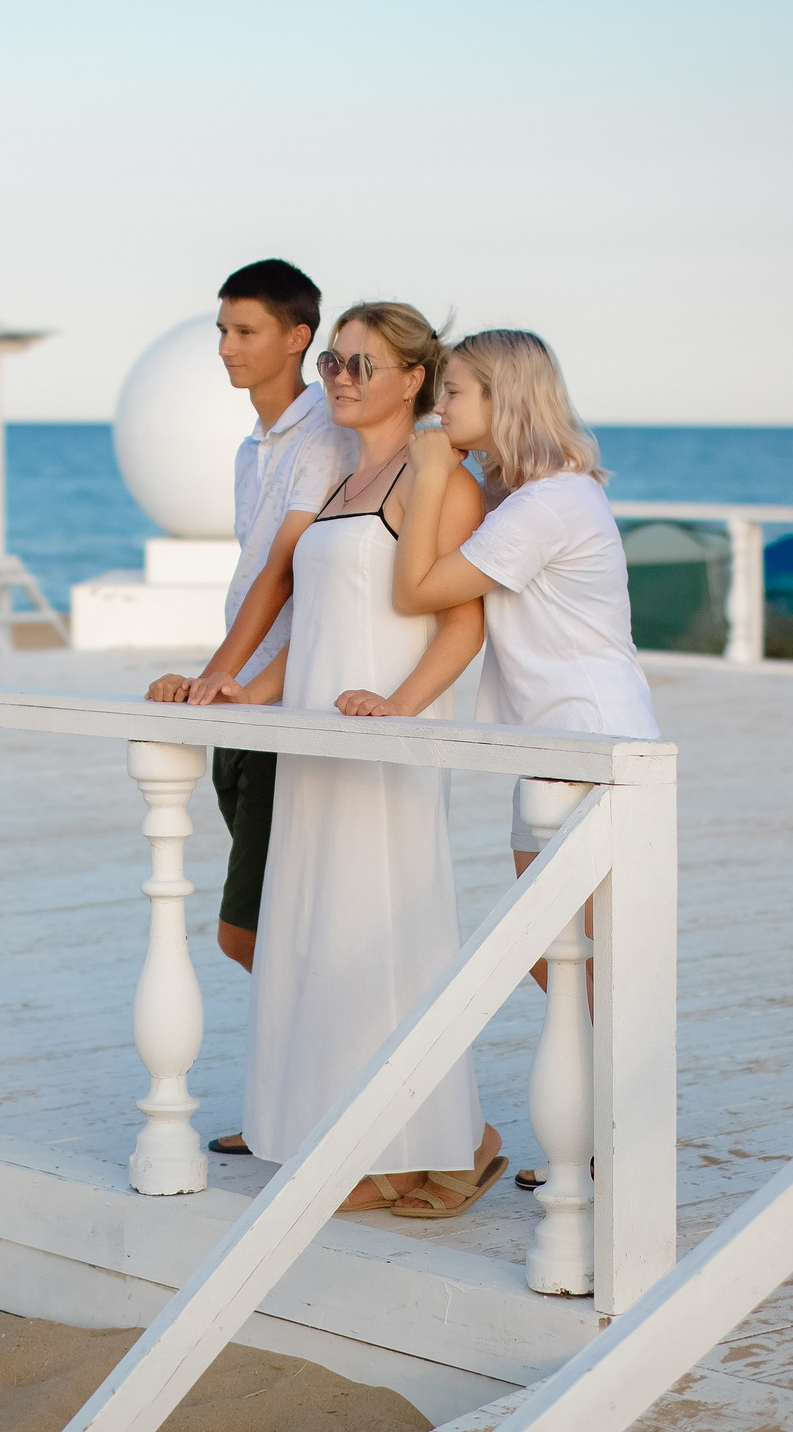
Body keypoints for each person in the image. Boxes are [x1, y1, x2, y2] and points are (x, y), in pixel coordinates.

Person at [207, 302, 506, 1219]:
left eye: (362, 364)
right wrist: (241, 694)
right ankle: (347, 1132)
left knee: (383, 941)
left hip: (379, 748)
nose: (339, 376)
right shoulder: (345, 479)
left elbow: (465, 618)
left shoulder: (436, 478)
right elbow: (321, 628)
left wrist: (399, 711)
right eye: (334, 361)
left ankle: (426, 1146)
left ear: (414, 379)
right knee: (319, 938)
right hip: (314, 745)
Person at [391, 327, 657, 1190]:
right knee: (559, 955)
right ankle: (597, 1137)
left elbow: (417, 589)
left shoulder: (548, 504)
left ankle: (612, 1145)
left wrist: (433, 473)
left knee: (585, 955)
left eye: (456, 392)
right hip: (551, 739)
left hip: (586, 736)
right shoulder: (528, 497)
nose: (441, 407)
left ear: (502, 400)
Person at [145, 259, 354, 979]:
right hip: (241, 696)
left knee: (251, 933)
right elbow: (254, 584)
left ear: (298, 336)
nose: (227, 346)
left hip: (280, 697)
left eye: (246, 330)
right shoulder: (248, 450)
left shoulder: (325, 436)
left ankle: (313, 1079)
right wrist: (216, 679)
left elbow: (284, 573)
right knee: (274, 925)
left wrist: (216, 677)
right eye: (222, 330)